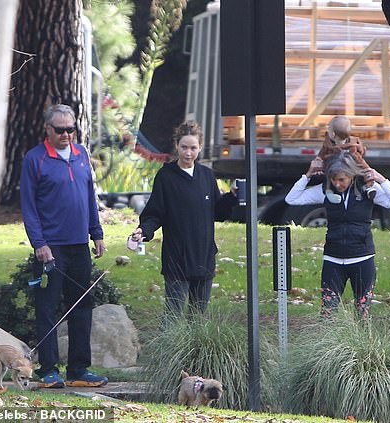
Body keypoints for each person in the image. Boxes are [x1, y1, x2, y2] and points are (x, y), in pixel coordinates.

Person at [20, 104, 108, 388]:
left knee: (82, 307)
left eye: (71, 129)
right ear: (48, 129)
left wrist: (97, 233)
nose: (67, 135)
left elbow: (89, 196)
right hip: (51, 248)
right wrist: (39, 243)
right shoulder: (35, 159)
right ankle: (48, 370)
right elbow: (29, 207)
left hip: (79, 245)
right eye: (60, 130)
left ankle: (79, 370)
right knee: (47, 308)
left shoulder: (82, 155)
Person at [129, 121, 237, 325]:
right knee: (173, 316)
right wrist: (143, 230)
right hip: (177, 258)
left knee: (197, 319)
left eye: (193, 148)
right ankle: (167, 356)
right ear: (176, 145)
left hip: (204, 257)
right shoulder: (166, 176)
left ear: (200, 148)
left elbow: (218, 212)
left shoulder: (206, 175)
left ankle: (194, 356)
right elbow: (155, 213)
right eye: (184, 147)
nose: (188, 152)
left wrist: (231, 197)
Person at [285, 150, 390, 318]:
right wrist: (308, 174)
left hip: (362, 258)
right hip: (333, 259)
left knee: (362, 312)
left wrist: (381, 179)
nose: (337, 184)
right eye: (333, 179)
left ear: (351, 176)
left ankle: (362, 342)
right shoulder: (325, 190)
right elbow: (292, 199)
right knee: (328, 312)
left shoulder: (368, 189)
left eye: (341, 179)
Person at [317, 116, 376, 201]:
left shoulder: (353, 143)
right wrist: (319, 162)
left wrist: (363, 165)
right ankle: (329, 192)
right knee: (329, 176)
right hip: (333, 166)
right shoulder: (328, 143)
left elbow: (360, 154)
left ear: (333, 134)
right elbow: (321, 154)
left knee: (360, 174)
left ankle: (368, 187)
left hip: (350, 165)